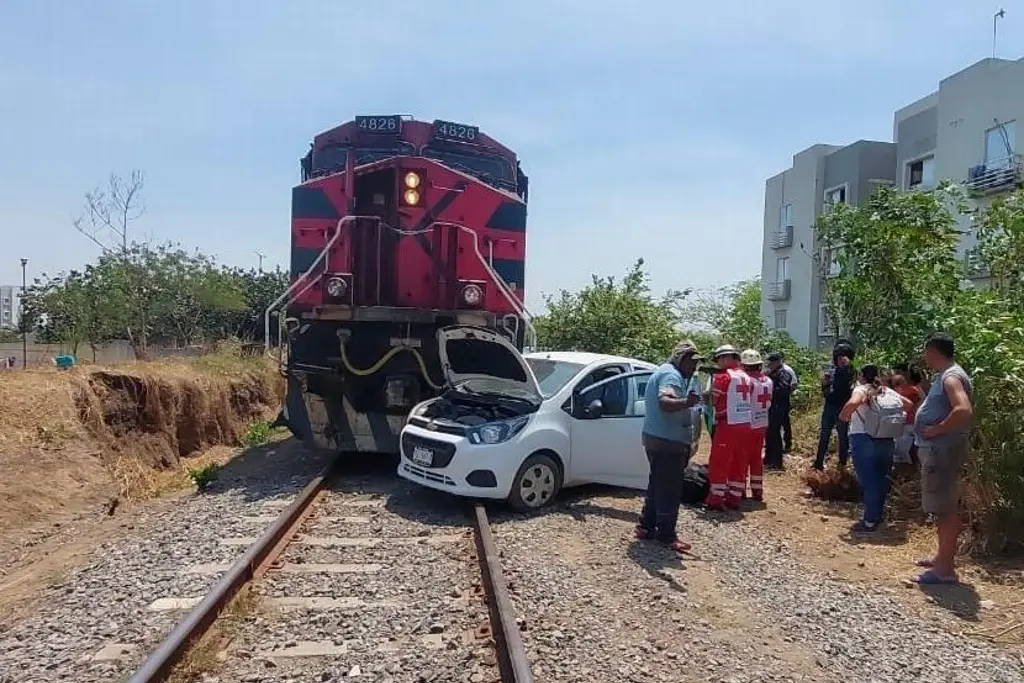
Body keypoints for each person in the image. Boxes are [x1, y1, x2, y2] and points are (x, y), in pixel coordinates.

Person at [913, 333, 974, 585]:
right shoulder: (947, 375)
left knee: (946, 508)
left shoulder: (950, 377)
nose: (925, 358)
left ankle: (944, 570)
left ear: (934, 352)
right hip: (941, 450)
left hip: (942, 450)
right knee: (943, 506)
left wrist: (938, 429)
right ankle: (942, 558)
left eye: (927, 353)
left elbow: (963, 409)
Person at [636, 340, 704, 553]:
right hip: (667, 443)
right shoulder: (671, 376)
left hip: (659, 439)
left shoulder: (670, 373)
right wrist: (687, 402)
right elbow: (665, 402)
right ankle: (666, 535)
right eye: (691, 362)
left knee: (657, 486)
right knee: (670, 490)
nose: (694, 368)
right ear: (680, 359)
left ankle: (646, 527)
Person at [839, 365, 913, 531]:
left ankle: (870, 520)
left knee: (869, 481)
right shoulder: (886, 391)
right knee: (882, 478)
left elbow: (853, 403)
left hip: (864, 438)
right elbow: (908, 405)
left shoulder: (862, 389)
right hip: (886, 439)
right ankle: (878, 515)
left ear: (861, 376)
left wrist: (844, 416)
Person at [704, 345, 751, 511]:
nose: (718, 363)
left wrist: (705, 398)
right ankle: (735, 497)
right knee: (739, 461)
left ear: (725, 358)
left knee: (719, 461)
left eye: (719, 359)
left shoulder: (723, 377)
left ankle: (715, 499)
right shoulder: (745, 376)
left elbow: (713, 401)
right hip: (745, 424)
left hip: (728, 423)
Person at [730, 349, 772, 502]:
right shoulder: (768, 380)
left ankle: (738, 491)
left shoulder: (747, 381)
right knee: (756, 459)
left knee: (741, 458)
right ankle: (757, 491)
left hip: (748, 425)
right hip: (762, 425)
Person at [813, 341, 855, 470]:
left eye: (843, 357)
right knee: (824, 435)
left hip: (843, 408)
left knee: (843, 437)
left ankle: (842, 464)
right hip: (830, 407)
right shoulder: (832, 372)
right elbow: (827, 393)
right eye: (838, 357)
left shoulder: (852, 373)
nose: (841, 360)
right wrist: (824, 384)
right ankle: (818, 463)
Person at [891, 363, 925, 465]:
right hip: (906, 422)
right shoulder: (912, 389)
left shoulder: (913, 389)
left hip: (909, 423)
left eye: (898, 372)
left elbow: (922, 401)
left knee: (906, 451)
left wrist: (914, 410)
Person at [764, 352, 792, 470]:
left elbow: (783, 389)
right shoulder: (773, 373)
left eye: (771, 363)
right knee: (769, 433)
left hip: (778, 407)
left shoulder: (783, 374)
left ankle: (776, 462)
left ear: (777, 362)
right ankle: (769, 459)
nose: (769, 365)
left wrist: (770, 390)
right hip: (772, 407)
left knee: (775, 434)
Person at [778, 352, 798, 452]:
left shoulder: (787, 370)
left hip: (784, 400)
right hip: (774, 400)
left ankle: (787, 444)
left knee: (785, 422)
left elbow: (794, 384)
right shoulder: (772, 369)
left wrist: (786, 393)